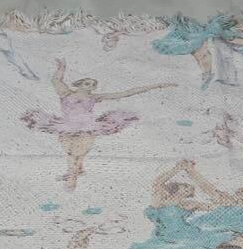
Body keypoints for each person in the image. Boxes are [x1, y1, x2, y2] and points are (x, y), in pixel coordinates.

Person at [21, 59, 174, 190]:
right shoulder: (66, 93)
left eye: (93, 84)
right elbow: (56, 81)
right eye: (87, 83)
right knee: (70, 151)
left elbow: (125, 93)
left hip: (88, 126)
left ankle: (72, 177)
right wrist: (62, 68)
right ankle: (76, 170)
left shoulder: (95, 97)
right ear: (79, 84)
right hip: (66, 125)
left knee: (77, 152)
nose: (91, 86)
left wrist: (157, 85)